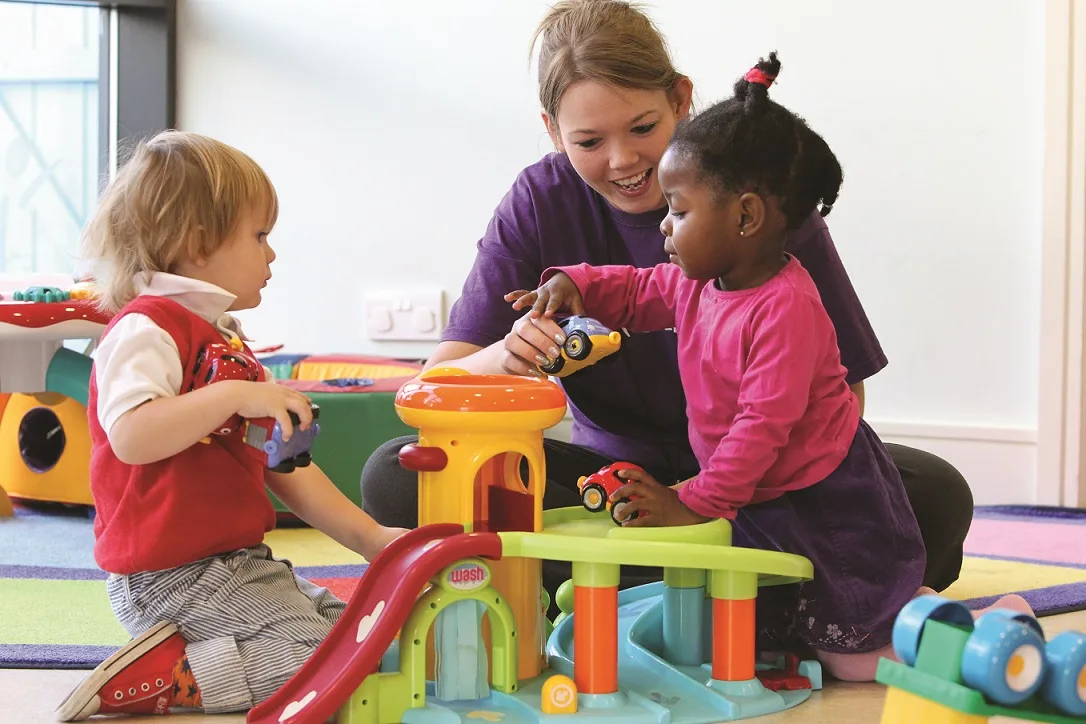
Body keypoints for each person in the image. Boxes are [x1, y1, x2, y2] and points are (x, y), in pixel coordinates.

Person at [361, 0, 973, 609]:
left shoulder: (754, 196)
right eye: (589, 140)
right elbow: (435, 389)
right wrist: (506, 354)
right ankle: (738, 590)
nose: (623, 161)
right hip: (616, 483)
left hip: (764, 483)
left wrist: (710, 494)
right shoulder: (542, 201)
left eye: (643, 128)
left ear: (681, 100)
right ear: (551, 129)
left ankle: (633, 584)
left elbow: (841, 399)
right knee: (399, 474)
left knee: (936, 494)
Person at [507, 51, 1031, 683]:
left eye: (678, 210)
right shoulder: (705, 282)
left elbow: (760, 427)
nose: (664, 228)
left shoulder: (784, 310)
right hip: (756, 490)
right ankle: (892, 617)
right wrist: (576, 284)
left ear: (747, 216)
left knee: (856, 654)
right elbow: (643, 290)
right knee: (769, 613)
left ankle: (988, 626)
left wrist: (693, 502)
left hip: (825, 498)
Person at [56, 131, 406, 721]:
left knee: (361, 635)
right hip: (171, 577)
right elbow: (133, 436)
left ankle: (200, 660)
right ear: (198, 244)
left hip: (236, 564)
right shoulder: (146, 330)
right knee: (332, 666)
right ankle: (173, 679)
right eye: (260, 236)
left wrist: (370, 538)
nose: (272, 255)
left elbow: (285, 469)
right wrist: (232, 396)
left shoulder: (223, 341)